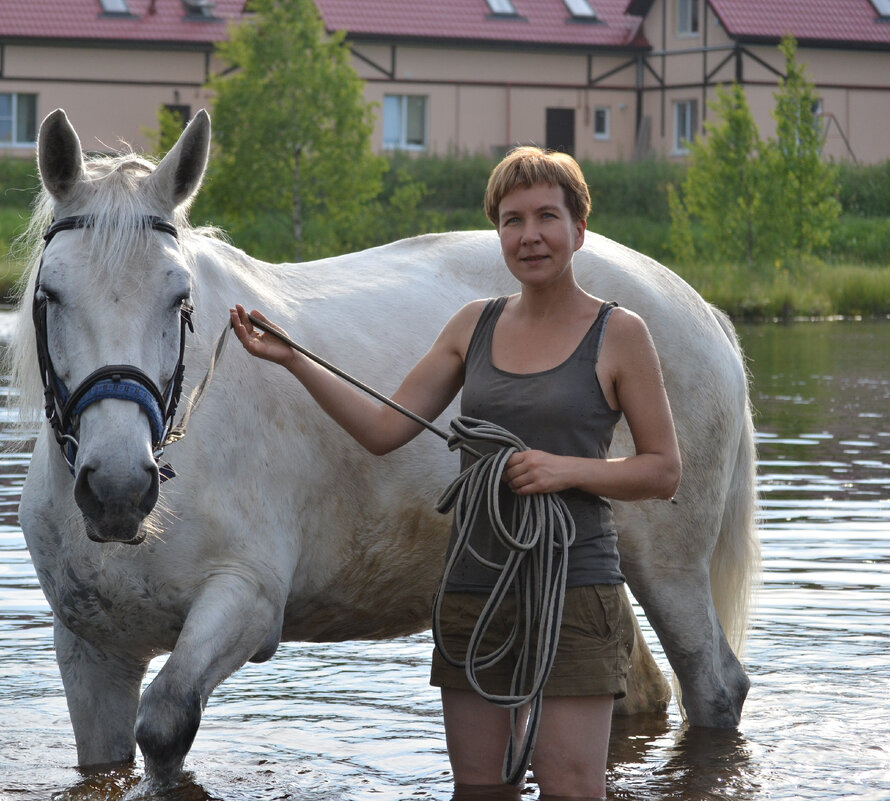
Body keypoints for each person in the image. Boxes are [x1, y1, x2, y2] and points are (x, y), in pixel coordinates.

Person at [229, 146, 681, 801]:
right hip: (474, 586)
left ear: (579, 230)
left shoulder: (621, 334)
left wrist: (566, 469)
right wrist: (294, 359)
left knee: (571, 786)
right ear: (497, 233)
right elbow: (386, 428)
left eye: (546, 217)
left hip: (575, 587)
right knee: (478, 788)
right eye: (511, 220)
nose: (529, 235)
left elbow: (663, 469)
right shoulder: (474, 325)